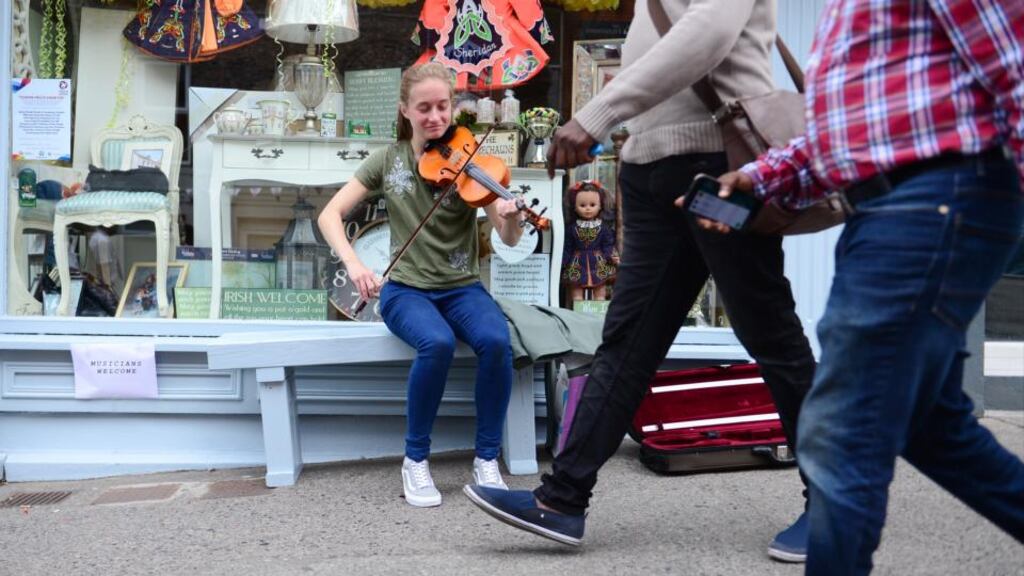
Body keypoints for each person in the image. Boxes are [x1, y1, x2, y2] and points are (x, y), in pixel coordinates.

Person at [464, 0, 818, 561]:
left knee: (768, 331)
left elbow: (708, 34)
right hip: (651, 173)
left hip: (721, 170)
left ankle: (837, 503)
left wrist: (594, 116)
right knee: (626, 343)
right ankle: (562, 501)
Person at [692, 1, 1024, 573]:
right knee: (928, 426)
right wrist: (759, 177)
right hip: (893, 205)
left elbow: (1016, 71)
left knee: (842, 427)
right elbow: (850, 133)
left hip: (932, 200)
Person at [318, 62, 527, 508]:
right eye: (424, 108)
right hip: (405, 290)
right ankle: (416, 460)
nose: (435, 117)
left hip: (462, 287)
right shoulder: (386, 161)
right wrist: (355, 264)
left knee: (496, 340)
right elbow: (329, 215)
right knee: (435, 343)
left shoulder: (473, 164)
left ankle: (486, 458)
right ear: (405, 111)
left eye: (443, 107)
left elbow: (508, 240)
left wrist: (512, 219)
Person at [561, 180, 618, 302]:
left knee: (600, 294)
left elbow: (608, 242)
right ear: (575, 207)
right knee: (576, 294)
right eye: (582, 205)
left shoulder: (603, 228)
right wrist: (563, 260)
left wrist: (608, 255)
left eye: (592, 205)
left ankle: (599, 315)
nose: (588, 209)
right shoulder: (571, 229)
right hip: (576, 263)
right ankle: (578, 314)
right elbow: (568, 246)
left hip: (598, 262)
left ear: (600, 206)